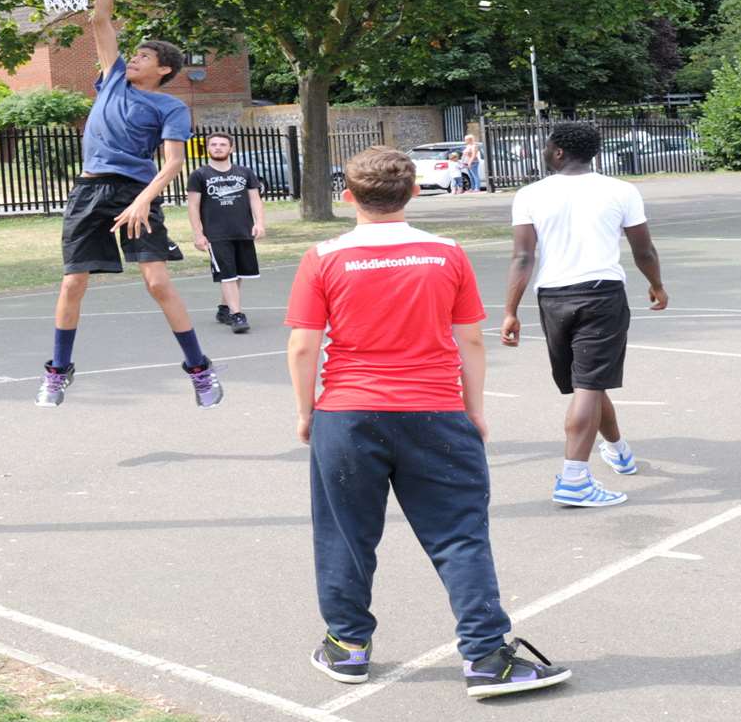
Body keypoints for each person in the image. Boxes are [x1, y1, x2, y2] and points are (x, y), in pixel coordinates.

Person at [286, 147, 571, 700]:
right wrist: (473, 409)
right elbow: (468, 339)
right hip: (434, 411)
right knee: (459, 535)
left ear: (348, 197)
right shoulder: (446, 253)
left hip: (348, 414)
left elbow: (303, 347)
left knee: (346, 536)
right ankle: (487, 656)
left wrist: (306, 413)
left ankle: (347, 648)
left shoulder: (324, 256)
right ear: (414, 192)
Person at [36, 0, 224, 409]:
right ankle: (59, 371)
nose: (133, 57)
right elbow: (100, 17)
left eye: (143, 56)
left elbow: (175, 163)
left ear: (162, 70)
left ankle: (200, 370)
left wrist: (144, 198)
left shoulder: (169, 107)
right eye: (133, 53)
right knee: (73, 282)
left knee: (157, 282)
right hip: (90, 192)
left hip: (137, 192)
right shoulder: (113, 80)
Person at [500, 121, 667, 508]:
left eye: (547, 146)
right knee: (588, 385)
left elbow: (523, 256)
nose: (544, 150)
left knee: (587, 384)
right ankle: (574, 478)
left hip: (553, 299)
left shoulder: (530, 195)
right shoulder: (621, 191)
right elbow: (644, 250)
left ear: (558, 152)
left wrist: (510, 310)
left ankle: (618, 450)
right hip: (601, 294)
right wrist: (656, 284)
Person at [185, 132, 266, 333]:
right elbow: (193, 206)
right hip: (216, 234)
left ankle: (224, 309)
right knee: (227, 274)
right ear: (208, 148)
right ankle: (237, 315)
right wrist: (198, 234)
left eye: (222, 144)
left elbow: (255, 199)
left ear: (231, 148)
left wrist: (260, 223)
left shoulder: (245, 173)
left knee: (238, 273)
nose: (218, 147)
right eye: (214, 145)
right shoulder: (199, 175)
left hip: (242, 230)